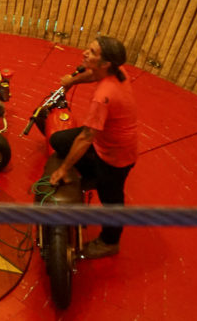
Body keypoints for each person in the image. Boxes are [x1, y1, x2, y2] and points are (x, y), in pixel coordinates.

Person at [48, 36, 138, 259]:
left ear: (106, 62)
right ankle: (91, 175)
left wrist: (63, 169)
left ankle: (110, 242)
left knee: (112, 200)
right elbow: (93, 73)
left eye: (92, 52)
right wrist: (72, 80)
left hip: (115, 155)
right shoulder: (117, 71)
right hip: (102, 141)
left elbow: (86, 136)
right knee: (59, 141)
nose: (85, 53)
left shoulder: (103, 97)